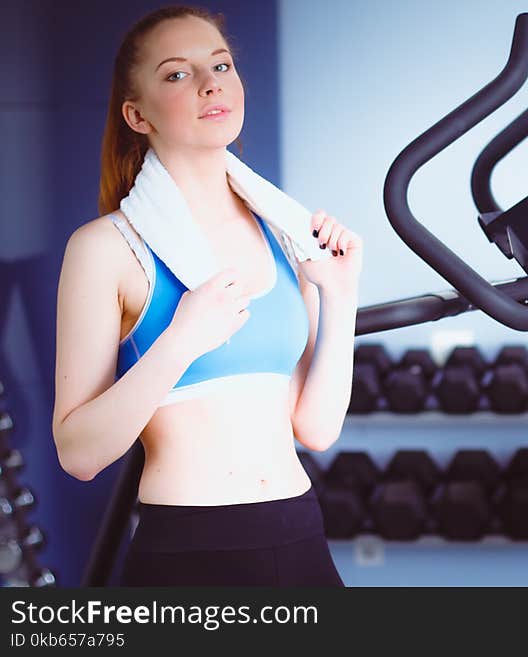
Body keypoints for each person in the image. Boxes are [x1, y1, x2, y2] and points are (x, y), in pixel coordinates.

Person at [52, 5, 362, 586]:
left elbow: (317, 429)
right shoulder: (107, 249)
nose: (210, 82)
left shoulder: (285, 232)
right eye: (177, 73)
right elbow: (79, 454)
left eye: (220, 64)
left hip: (299, 532)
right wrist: (180, 341)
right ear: (136, 114)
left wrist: (340, 296)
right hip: (191, 549)